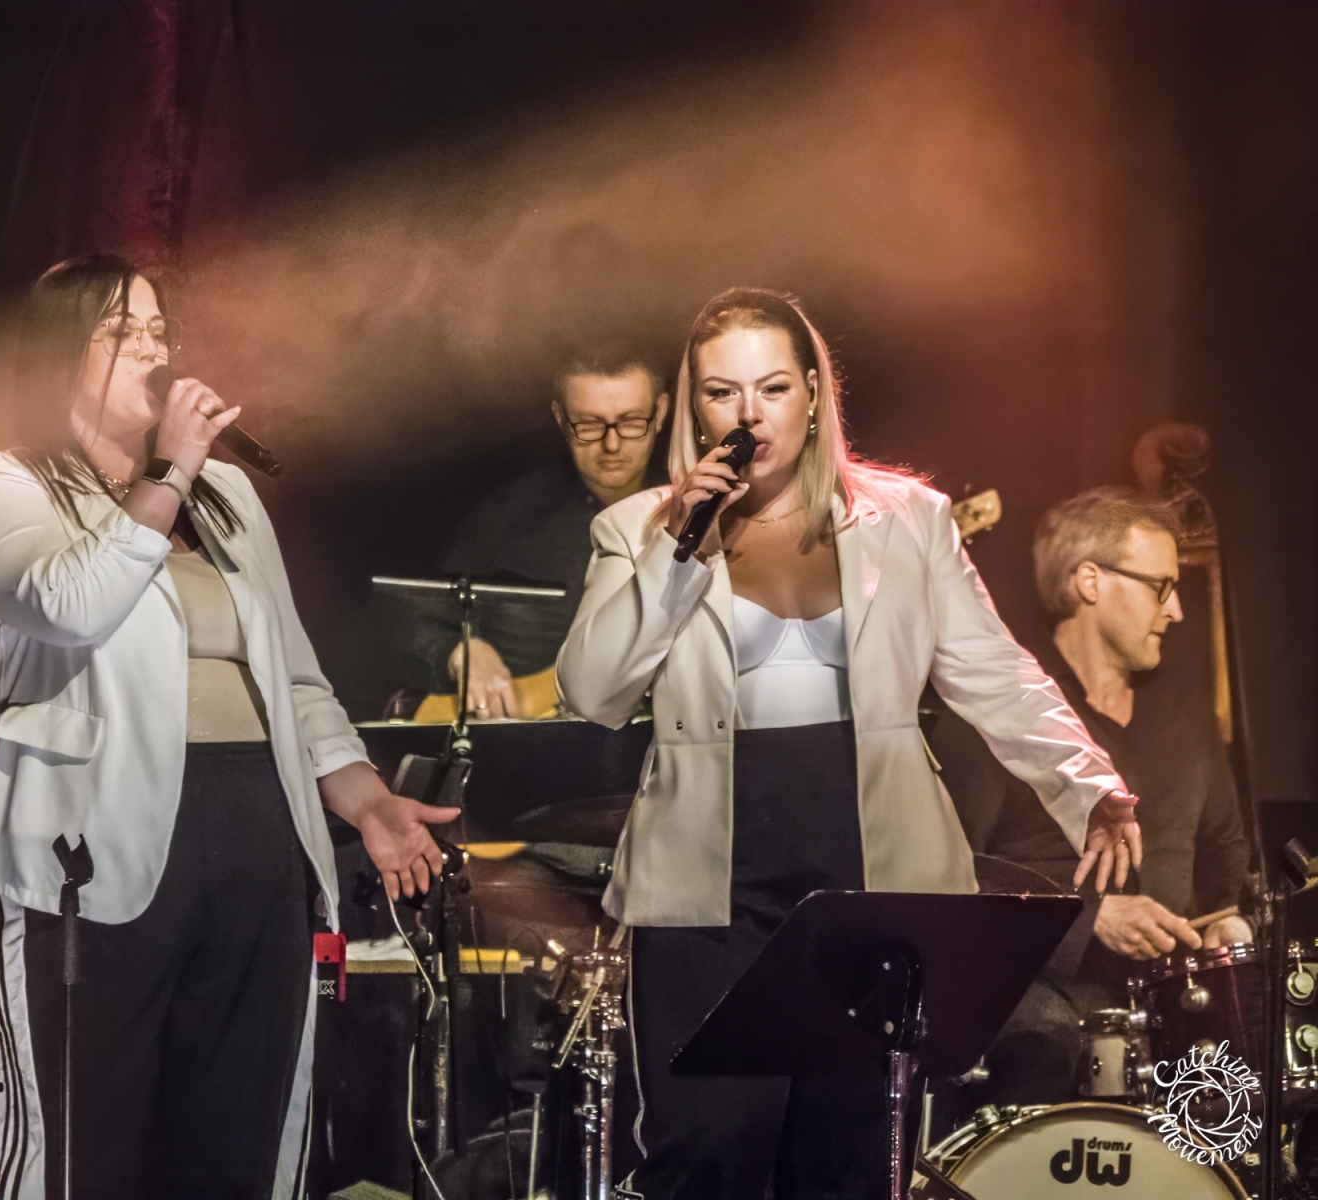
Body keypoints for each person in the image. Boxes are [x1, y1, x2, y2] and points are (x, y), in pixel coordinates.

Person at [555, 288, 1141, 1200]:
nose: (749, 415)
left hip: (870, 877)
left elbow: (995, 672)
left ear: (814, 395)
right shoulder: (638, 529)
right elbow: (592, 693)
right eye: (721, 392)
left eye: (772, 388)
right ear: (693, 407)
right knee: (708, 1153)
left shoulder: (908, 518)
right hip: (708, 885)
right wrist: (678, 549)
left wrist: (1088, 782)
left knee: (851, 1160)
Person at [0, 254, 458, 1200]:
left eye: (159, 330)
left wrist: (366, 801)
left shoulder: (228, 497)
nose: (152, 350)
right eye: (121, 332)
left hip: (252, 838)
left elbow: (294, 678)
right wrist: (171, 471)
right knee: (78, 1153)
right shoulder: (6, 489)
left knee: (237, 1146)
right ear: (59, 351)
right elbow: (73, 605)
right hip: (86, 855)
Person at [953, 486, 1252, 1106]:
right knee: (1044, 1035)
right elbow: (950, 872)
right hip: (1040, 1001)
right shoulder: (1004, 711)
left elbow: (1225, 851)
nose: (1176, 611)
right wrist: (1090, 917)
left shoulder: (1186, 715)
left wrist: (1229, 920)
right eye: (1160, 587)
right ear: (1090, 581)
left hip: (1170, 999)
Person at [417, 346, 668, 719]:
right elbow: (411, 615)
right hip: (531, 734)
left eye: (631, 422)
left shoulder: (697, 511)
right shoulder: (507, 516)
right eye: (590, 425)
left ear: (660, 413)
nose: (612, 444)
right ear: (561, 419)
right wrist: (462, 650)